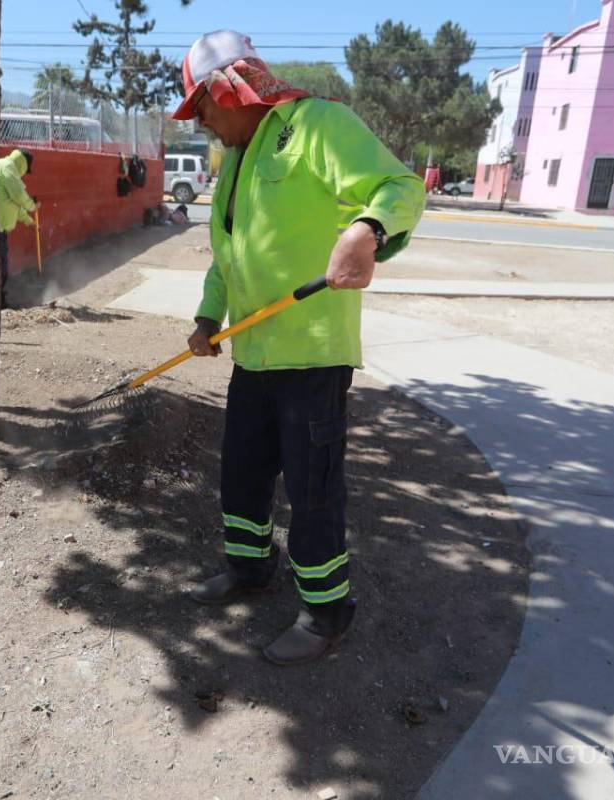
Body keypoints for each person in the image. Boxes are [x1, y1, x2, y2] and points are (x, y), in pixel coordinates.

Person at [175, 30, 425, 665]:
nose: (201, 124)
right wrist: (209, 314)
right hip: (252, 353)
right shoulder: (232, 161)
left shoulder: (318, 124)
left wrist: (366, 230)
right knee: (242, 472)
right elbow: (227, 255)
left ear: (225, 91)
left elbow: (399, 188)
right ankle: (250, 569)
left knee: (312, 492)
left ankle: (325, 613)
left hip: (312, 353)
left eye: (199, 108)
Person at [0, 148, 37, 307]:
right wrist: (33, 206)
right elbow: (19, 196)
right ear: (23, 164)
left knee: (0, 266)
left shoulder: (6, 168)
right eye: (26, 170)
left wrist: (29, 222)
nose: (25, 174)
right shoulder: (7, 167)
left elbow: (14, 204)